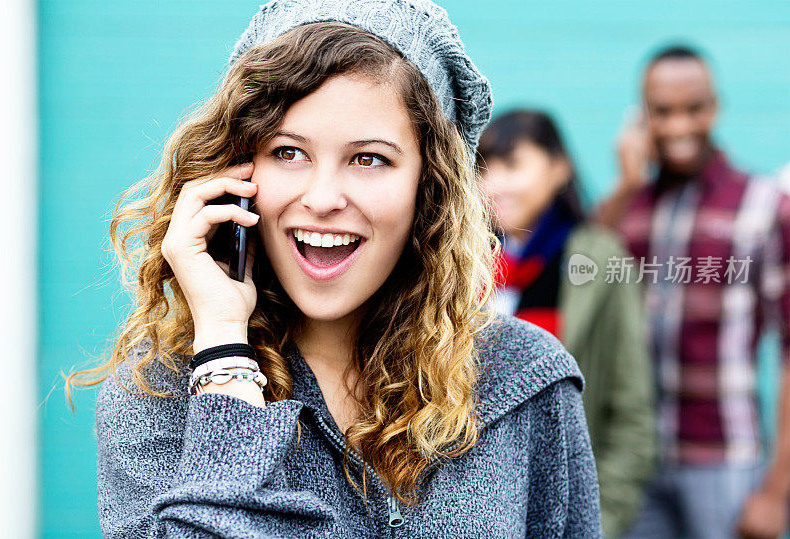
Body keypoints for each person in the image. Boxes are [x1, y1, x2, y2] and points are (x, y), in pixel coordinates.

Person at [66, 0, 602, 537]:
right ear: (234, 170)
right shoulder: (158, 392)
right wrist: (226, 357)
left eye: (368, 159)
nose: (322, 198)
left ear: (429, 186)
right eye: (288, 153)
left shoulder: (526, 380)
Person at [598, 45, 790, 539]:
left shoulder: (764, 206)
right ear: (643, 118)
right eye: (663, 111)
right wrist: (624, 184)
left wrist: (776, 489)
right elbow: (581, 268)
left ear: (715, 108)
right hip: (638, 464)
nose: (679, 124)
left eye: (693, 108)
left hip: (723, 461)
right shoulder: (631, 209)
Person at [477, 109, 656, 537]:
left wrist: (597, 522)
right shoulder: (461, 261)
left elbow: (631, 409)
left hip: (561, 501)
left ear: (559, 170)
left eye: (513, 165)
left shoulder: (598, 259)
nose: (495, 183)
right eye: (485, 168)